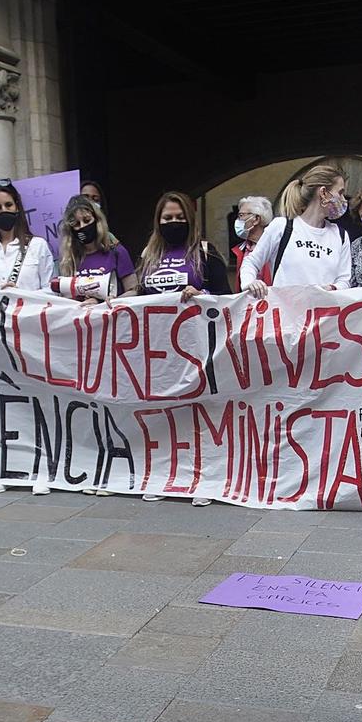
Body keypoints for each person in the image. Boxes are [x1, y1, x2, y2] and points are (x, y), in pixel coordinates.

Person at [134, 191, 233, 505]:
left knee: (199, 415)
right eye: (167, 218)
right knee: (163, 414)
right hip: (160, 350)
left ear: (189, 220)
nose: (173, 223)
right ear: (158, 222)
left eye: (179, 218)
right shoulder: (148, 256)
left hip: (197, 349)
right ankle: (164, 476)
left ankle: (204, 479)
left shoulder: (205, 254)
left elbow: (226, 297)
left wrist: (201, 291)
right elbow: (138, 299)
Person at [240, 163, 352, 295]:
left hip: (325, 313)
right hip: (286, 313)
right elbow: (251, 262)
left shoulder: (340, 235)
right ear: (323, 193)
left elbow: (344, 280)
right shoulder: (282, 227)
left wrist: (331, 289)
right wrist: (250, 283)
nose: (343, 199)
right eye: (340, 192)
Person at [0, 179, 56, 290]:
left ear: (17, 207)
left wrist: (20, 295)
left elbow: (51, 291)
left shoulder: (38, 245)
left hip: (28, 307)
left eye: (8, 205)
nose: (4, 210)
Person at [50, 194, 136, 302]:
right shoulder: (68, 260)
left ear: (97, 220)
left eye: (86, 220)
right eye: (76, 224)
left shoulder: (116, 251)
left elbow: (133, 290)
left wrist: (111, 301)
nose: (82, 227)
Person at [229, 195, 272, 278]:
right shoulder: (242, 249)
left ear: (256, 219)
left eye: (241, 215)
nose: (237, 220)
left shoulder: (274, 247)